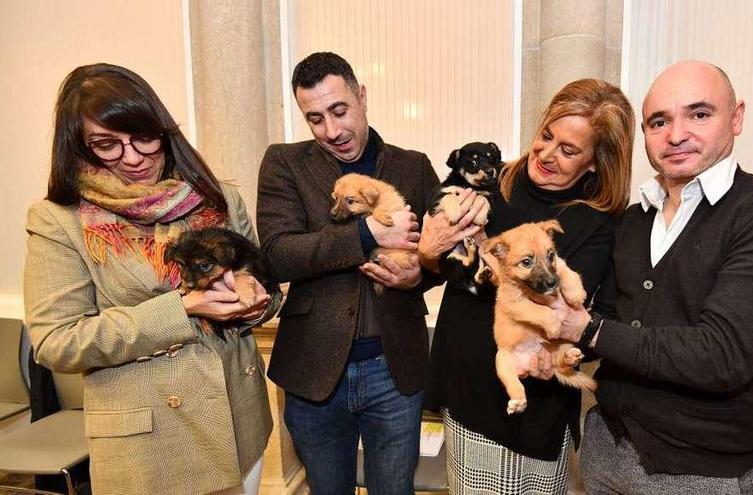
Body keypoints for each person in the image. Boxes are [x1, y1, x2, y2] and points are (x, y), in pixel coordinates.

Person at [23, 63, 281, 495]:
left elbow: (266, 289)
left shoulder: (219, 196)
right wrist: (182, 308)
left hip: (239, 421)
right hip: (149, 442)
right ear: (79, 146)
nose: (133, 156)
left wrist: (256, 300)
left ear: (164, 130)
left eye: (144, 136)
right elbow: (56, 341)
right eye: (107, 144)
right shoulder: (59, 221)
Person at [572, 60, 753, 494]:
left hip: (698, 473)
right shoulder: (634, 221)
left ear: (737, 117)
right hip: (604, 447)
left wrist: (584, 328)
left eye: (699, 114)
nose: (675, 135)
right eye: (659, 122)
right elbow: (611, 316)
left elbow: (720, 355)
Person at [419, 79, 634, 494]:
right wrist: (429, 250)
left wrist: (483, 253)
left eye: (569, 150)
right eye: (546, 136)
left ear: (595, 162)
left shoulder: (595, 222)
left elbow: (558, 303)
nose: (546, 154)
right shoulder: (490, 183)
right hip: (466, 391)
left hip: (529, 406)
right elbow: (439, 264)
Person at [256, 52, 442, 494]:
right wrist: (368, 232)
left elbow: (443, 255)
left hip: (395, 370)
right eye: (315, 118)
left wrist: (420, 277)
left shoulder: (412, 165)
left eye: (339, 111)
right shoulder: (284, 163)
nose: (332, 131)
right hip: (313, 371)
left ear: (361, 95)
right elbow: (279, 254)